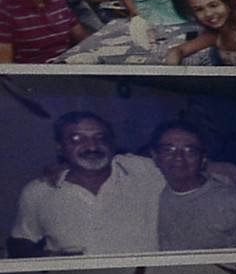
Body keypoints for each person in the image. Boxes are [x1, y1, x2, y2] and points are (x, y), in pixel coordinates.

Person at [9, 109, 166, 255]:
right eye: (77, 139)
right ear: (60, 147)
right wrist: (47, 259)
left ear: (112, 144)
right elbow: (20, 240)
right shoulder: (39, 191)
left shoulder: (144, 171)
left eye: (100, 137)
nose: (92, 145)